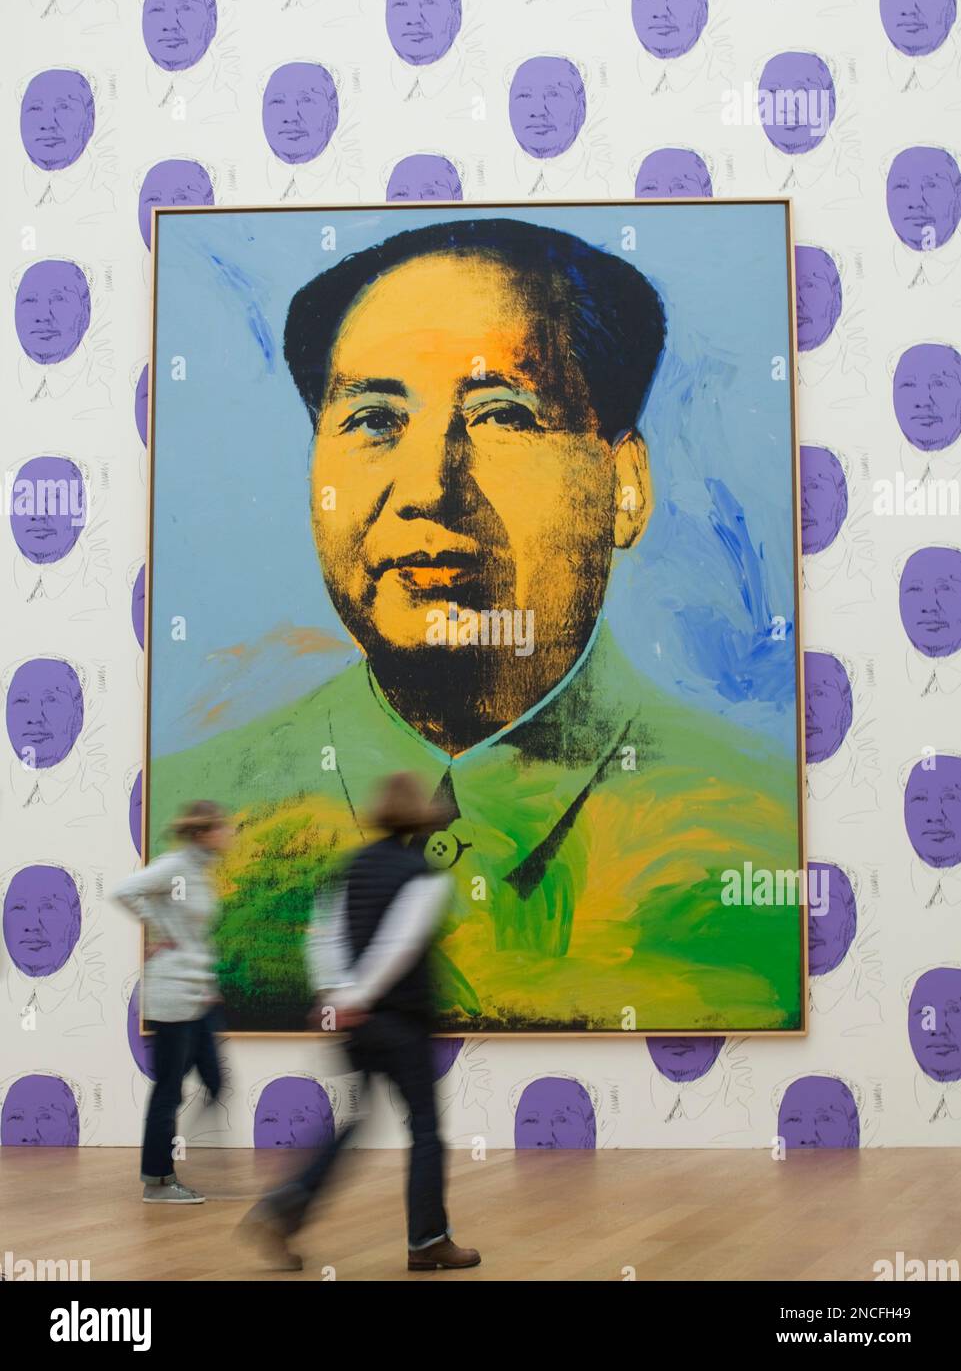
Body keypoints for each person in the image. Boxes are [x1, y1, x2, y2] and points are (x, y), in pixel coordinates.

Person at [151, 217, 801, 1034]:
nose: (427, 485)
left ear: (625, 486)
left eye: (501, 416)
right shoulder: (188, 819)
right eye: (374, 420)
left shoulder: (764, 841)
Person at [241, 772, 480, 1272]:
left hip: (355, 1025)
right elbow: (399, 944)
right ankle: (428, 1240)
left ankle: (284, 1208)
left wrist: (335, 996)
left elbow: (322, 937)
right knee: (427, 1129)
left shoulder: (349, 868)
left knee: (355, 1121)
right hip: (400, 1021)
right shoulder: (425, 876)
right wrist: (362, 996)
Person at [113, 799, 231, 1203]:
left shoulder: (199, 870)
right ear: (203, 833)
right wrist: (158, 928)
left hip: (196, 995)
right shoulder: (178, 865)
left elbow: (193, 933)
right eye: (222, 827)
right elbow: (126, 890)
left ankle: (186, 1152)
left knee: (215, 1078)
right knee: (169, 1089)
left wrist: (205, 977)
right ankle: (158, 1180)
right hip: (172, 996)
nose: (229, 833)